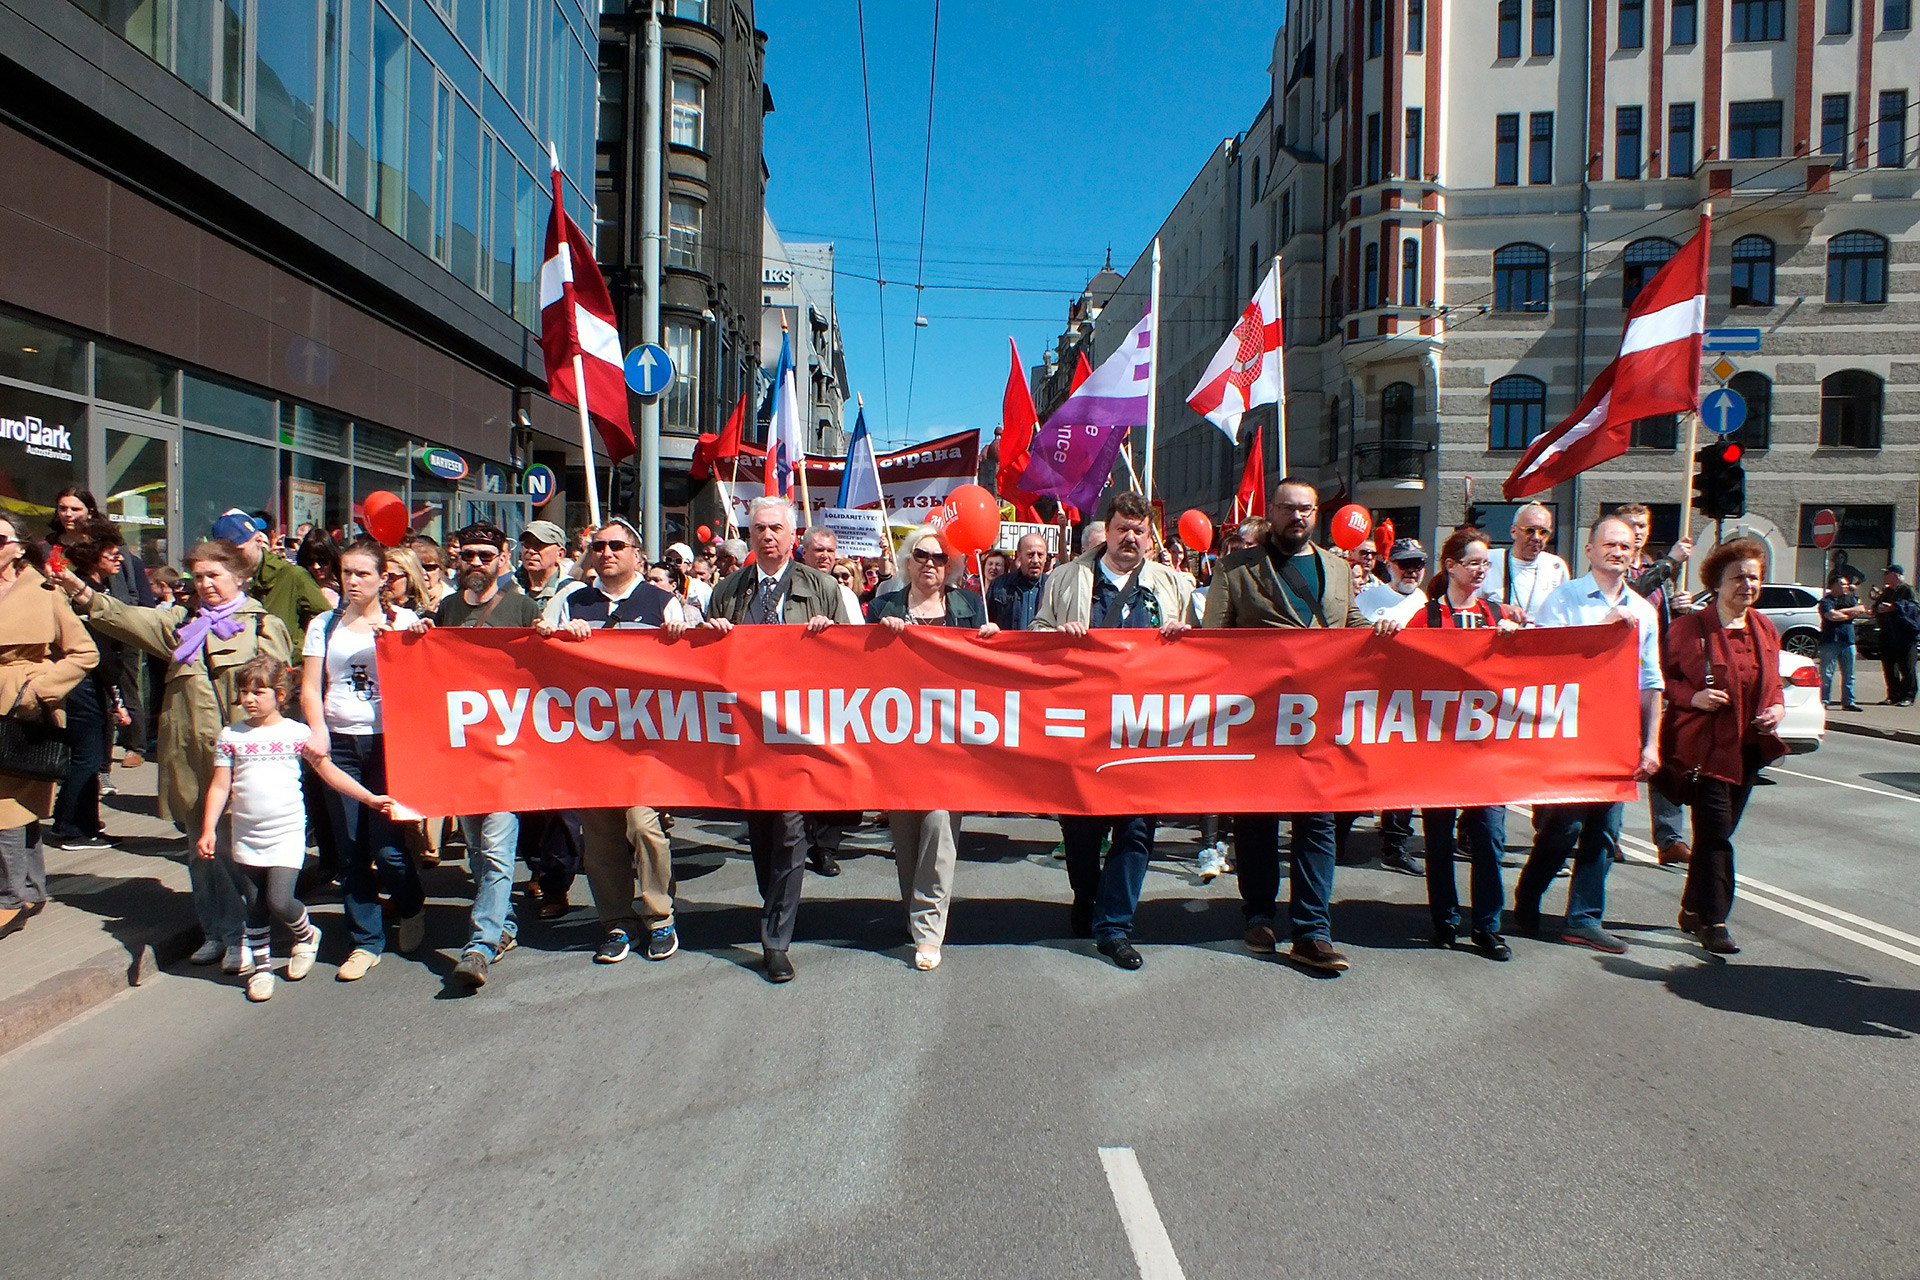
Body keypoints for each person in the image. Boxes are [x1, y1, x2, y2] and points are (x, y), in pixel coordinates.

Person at [61, 538, 289, 970]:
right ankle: (215, 931)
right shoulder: (183, 623)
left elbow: (276, 695)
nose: (204, 584)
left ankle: (246, 932)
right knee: (198, 849)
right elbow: (127, 617)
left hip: (236, 760)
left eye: (214, 575)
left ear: (239, 577)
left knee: (232, 849)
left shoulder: (262, 626)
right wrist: (80, 589)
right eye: (198, 577)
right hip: (187, 756)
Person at [1202, 478, 1366, 973]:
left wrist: (1381, 633)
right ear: (1271, 511)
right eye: (1288, 508)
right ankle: (1258, 915)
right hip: (1260, 718)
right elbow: (1212, 642)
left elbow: (1349, 621)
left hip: (1320, 716)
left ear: (1316, 514)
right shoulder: (1235, 569)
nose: (1298, 517)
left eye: (1307, 509)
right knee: (1258, 822)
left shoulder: (1337, 569)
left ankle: (1313, 930)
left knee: (1317, 822)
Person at [1031, 492, 1190, 970]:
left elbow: (1198, 655)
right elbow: (1033, 635)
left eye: (1140, 530)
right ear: (1108, 528)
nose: (1131, 538)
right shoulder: (1065, 579)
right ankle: (1088, 896)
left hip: (1144, 730)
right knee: (1081, 831)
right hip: (1081, 731)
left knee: (1137, 829)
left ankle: (1115, 926)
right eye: (1123, 528)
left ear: (1149, 535)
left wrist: (1184, 635)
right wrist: (1057, 637)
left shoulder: (1171, 584)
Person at [703, 496, 852, 983]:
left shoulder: (823, 588)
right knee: (763, 832)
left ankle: (775, 939)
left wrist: (829, 636)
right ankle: (774, 905)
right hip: (746, 738)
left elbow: (853, 661)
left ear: (793, 537)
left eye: (776, 529)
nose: (767, 536)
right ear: (750, 537)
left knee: (789, 831)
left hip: (798, 735)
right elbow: (703, 664)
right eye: (759, 529)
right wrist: (711, 632)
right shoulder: (728, 590)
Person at [539, 518, 693, 965]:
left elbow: (687, 668)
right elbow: (537, 647)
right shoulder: (571, 601)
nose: (606, 552)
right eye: (599, 545)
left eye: (617, 546)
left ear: (637, 555)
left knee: (644, 826)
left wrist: (681, 638)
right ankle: (615, 922)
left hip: (644, 743)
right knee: (602, 836)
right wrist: (558, 637)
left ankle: (659, 915)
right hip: (589, 743)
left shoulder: (664, 602)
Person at [1511, 515, 1665, 955]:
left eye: (1627, 546)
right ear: (1591, 551)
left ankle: (1583, 918)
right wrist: (1603, 632)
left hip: (1617, 736)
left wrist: (1650, 743)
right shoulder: (1564, 600)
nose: (1619, 551)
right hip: (1571, 733)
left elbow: (1650, 682)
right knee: (1566, 826)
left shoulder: (1645, 611)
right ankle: (1530, 891)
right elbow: (1545, 666)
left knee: (1605, 831)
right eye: (1610, 544)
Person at [197, 656, 388, 1001]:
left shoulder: (296, 734)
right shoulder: (231, 736)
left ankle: (306, 935)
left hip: (285, 832)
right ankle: (261, 970)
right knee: (255, 904)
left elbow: (330, 773)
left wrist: (370, 798)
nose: (250, 699)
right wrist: (209, 828)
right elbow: (220, 786)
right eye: (244, 692)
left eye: (259, 691)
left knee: (280, 899)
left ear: (280, 694)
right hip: (246, 834)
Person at [1377, 528, 1523, 959]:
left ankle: (1488, 926)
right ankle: (1445, 920)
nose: (1480, 571)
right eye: (1473, 563)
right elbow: (1397, 664)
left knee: (1490, 839)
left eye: (1485, 564)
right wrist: (1388, 629)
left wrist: (1518, 639)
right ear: (1452, 566)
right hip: (1438, 748)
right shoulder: (1426, 615)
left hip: (1485, 750)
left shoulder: (1496, 615)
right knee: (1438, 840)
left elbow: (1526, 670)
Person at [415, 522, 544, 987]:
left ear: (502, 558)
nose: (475, 564)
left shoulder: (523, 607)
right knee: (475, 846)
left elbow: (547, 669)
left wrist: (551, 634)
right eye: (467, 555)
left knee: (495, 845)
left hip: (507, 750)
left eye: (485, 557)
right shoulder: (445, 609)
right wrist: (418, 635)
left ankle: (480, 945)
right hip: (462, 751)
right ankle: (505, 922)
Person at [870, 525, 1000, 970]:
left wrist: (991, 639)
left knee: (939, 827)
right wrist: (878, 636)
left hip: (951, 744)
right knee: (906, 836)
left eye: (940, 557)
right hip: (898, 742)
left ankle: (928, 929)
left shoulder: (969, 607)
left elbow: (994, 668)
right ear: (908, 561)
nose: (930, 563)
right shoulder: (882, 606)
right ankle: (916, 908)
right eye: (922, 555)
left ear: (952, 566)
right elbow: (853, 667)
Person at [301, 537, 425, 982]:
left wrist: (411, 640)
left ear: (382, 579)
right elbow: (311, 687)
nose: (352, 581)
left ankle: (411, 907)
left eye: (362, 574)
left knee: (389, 847)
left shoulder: (403, 619)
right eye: (346, 573)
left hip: (391, 743)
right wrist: (317, 729)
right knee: (350, 847)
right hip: (341, 744)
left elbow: (424, 678)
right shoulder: (324, 624)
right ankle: (365, 941)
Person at [1658, 538, 1787, 956]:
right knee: (1715, 836)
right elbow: (1663, 679)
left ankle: (1692, 909)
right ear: (1716, 583)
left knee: (1721, 832)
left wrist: (1777, 710)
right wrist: (1691, 698)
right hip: (1706, 750)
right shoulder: (1689, 628)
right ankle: (1715, 920)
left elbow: (1773, 685)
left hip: (1748, 749)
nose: (1747, 585)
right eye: (1738, 577)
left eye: (1754, 577)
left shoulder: (1764, 627)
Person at [0, 511, 98, 941]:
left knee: (6, 803)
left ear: (19, 547)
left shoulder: (43, 591)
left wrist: (39, 687)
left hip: (23, 709)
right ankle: (33, 888)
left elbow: (83, 652)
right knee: (15, 802)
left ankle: (8, 899)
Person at [1345, 537, 1425, 877]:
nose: (1411, 571)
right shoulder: (1366, 600)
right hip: (1368, 696)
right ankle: (1334, 836)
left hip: (1409, 701)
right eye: (1404, 564)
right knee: (1355, 772)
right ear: (1389, 565)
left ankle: (1395, 844)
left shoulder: (1427, 602)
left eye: (1418, 564)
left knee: (1404, 776)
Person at [48, 519, 124, 851]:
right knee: (87, 756)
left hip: (96, 683)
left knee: (90, 756)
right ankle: (68, 826)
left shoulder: (99, 590)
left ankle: (88, 824)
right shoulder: (78, 594)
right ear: (94, 557)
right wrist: (116, 694)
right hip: (81, 682)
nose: (119, 558)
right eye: (112, 552)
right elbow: (98, 649)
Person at [210, 509, 332, 646]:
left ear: (259, 540)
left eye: (239, 551)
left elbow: (326, 624)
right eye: (226, 554)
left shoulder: (291, 576)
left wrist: (298, 654)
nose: (233, 558)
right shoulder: (218, 583)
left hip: (286, 664)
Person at [1481, 501, 1570, 621]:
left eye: (1543, 532)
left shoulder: (1556, 566)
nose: (1536, 537)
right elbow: (1470, 603)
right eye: (1529, 531)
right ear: (1513, 532)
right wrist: (1500, 609)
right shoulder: (1489, 560)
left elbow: (1564, 611)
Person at [1817, 570, 1867, 711]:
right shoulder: (1826, 601)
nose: (1846, 587)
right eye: (1842, 584)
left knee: (1849, 673)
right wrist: (1849, 614)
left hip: (1848, 640)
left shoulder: (1850, 599)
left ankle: (1848, 701)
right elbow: (1831, 616)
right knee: (1827, 673)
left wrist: (1843, 613)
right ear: (1833, 586)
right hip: (1830, 640)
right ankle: (1824, 700)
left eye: (1846, 584)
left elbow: (1861, 609)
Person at [801, 526, 865, 633]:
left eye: (830, 551)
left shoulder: (846, 595)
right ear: (804, 553)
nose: (825, 556)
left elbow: (856, 635)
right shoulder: (791, 586)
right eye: (819, 550)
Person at [1872, 565, 1919, 705]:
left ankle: (1908, 696)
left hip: (1905, 635)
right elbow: (1877, 606)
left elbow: (1914, 607)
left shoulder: (1907, 589)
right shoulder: (1886, 591)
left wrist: (1894, 607)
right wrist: (1878, 608)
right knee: (1889, 667)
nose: (1885, 576)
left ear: (1897, 575)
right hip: (1888, 634)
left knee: (1907, 667)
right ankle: (1893, 695)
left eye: (1887, 573)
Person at [986, 532, 1050, 631]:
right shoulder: (999, 585)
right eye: (1030, 554)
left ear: (1046, 557)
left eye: (1040, 555)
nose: (1035, 560)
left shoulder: (1054, 586)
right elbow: (987, 620)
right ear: (1019, 555)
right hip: (1008, 645)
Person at [514, 520, 573, 609]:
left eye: (539, 544)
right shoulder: (507, 587)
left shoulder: (573, 592)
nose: (530, 550)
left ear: (560, 554)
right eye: (527, 544)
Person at [404, 534, 454, 608]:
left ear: (440, 568)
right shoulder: (404, 599)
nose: (423, 572)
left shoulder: (452, 600)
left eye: (430, 568)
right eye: (417, 567)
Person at [296, 528, 342, 608]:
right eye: (310, 561)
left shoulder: (347, 586)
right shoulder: (298, 587)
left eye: (322, 561)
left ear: (332, 558)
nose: (316, 567)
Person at [664, 541, 712, 611]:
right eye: (669, 559)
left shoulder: (701, 588)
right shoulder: (659, 584)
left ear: (689, 566)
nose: (672, 564)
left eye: (678, 561)